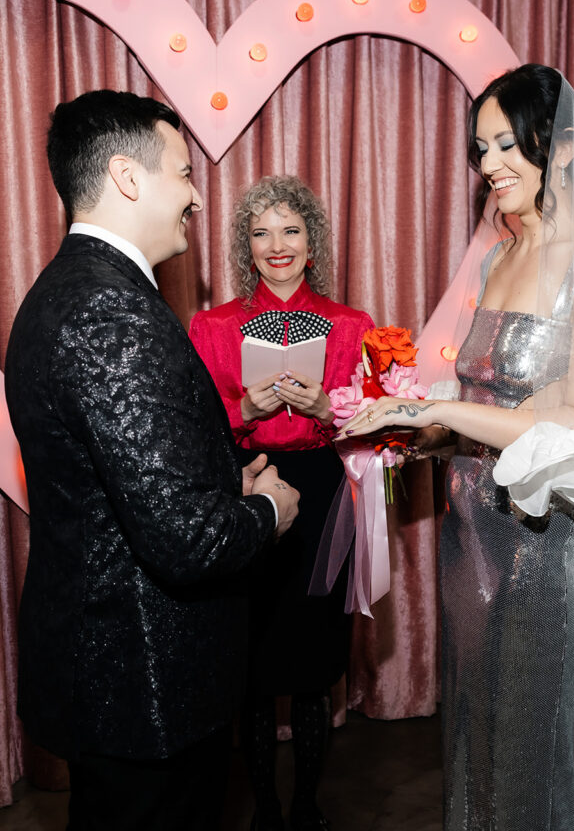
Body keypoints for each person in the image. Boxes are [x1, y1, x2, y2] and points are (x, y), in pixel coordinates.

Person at [335, 65, 574, 830]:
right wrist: (416, 432)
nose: (487, 163)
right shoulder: (497, 256)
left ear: (558, 148)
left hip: (539, 534)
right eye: (479, 147)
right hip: (468, 526)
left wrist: (440, 405)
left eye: (502, 143)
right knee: (468, 724)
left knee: (525, 736)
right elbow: (492, 406)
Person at [4, 91, 300, 831]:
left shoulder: (67, 291)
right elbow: (184, 540)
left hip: (106, 667)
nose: (197, 196)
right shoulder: (111, 312)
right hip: (142, 679)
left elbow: (113, 479)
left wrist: (217, 480)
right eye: (183, 173)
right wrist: (265, 511)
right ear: (127, 177)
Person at [189, 175, 373, 831]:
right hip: (250, 485)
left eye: (289, 230)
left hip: (324, 492)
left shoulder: (351, 324)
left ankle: (305, 808)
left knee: (316, 657)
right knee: (257, 661)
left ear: (311, 242)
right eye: (261, 232)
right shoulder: (210, 326)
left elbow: (372, 426)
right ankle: (265, 810)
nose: (277, 245)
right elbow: (189, 430)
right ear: (246, 245)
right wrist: (243, 409)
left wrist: (331, 410)